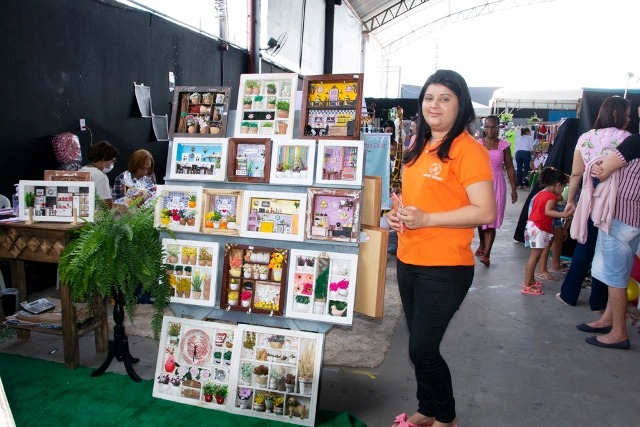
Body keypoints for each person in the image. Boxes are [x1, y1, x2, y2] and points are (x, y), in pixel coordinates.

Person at [386, 69, 495, 427]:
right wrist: (397, 215)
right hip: (408, 258)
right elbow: (417, 200)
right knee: (418, 345)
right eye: (430, 97)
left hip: (445, 267)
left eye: (445, 98)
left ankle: (446, 419)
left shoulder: (469, 150)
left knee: (423, 349)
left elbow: (485, 211)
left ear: (460, 105)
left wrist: (428, 219)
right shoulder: (418, 143)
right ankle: (426, 410)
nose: (435, 105)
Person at [557, 96, 631, 310]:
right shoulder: (628, 139)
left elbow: (577, 173)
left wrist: (571, 201)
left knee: (584, 246)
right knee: (607, 250)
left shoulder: (586, 137)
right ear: (618, 115)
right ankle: (599, 301)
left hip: (590, 195)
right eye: (626, 115)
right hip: (617, 199)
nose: (628, 119)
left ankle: (569, 294)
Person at [577, 134, 640, 349]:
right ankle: (608, 320)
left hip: (621, 217)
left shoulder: (635, 142)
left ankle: (618, 333)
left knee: (615, 277)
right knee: (616, 272)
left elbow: (602, 171)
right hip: (633, 218)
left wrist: (599, 166)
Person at [474, 115, 518, 266]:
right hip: (481, 184)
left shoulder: (504, 146)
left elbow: (510, 168)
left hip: (498, 184)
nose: (489, 130)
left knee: (492, 219)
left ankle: (487, 254)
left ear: (498, 127)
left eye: (492, 127)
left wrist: (514, 189)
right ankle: (481, 244)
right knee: (481, 218)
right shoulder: (477, 144)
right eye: (487, 127)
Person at [521, 168, 573, 295]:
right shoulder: (551, 197)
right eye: (564, 187)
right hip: (538, 228)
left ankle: (531, 280)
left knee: (536, 255)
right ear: (558, 185)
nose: (563, 190)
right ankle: (527, 284)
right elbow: (548, 211)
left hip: (536, 226)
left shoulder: (541, 193)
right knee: (534, 256)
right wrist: (565, 214)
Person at [79, 140, 119, 208]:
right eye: (112, 161)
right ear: (104, 159)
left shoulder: (81, 171)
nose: (112, 164)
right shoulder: (101, 176)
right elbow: (106, 204)